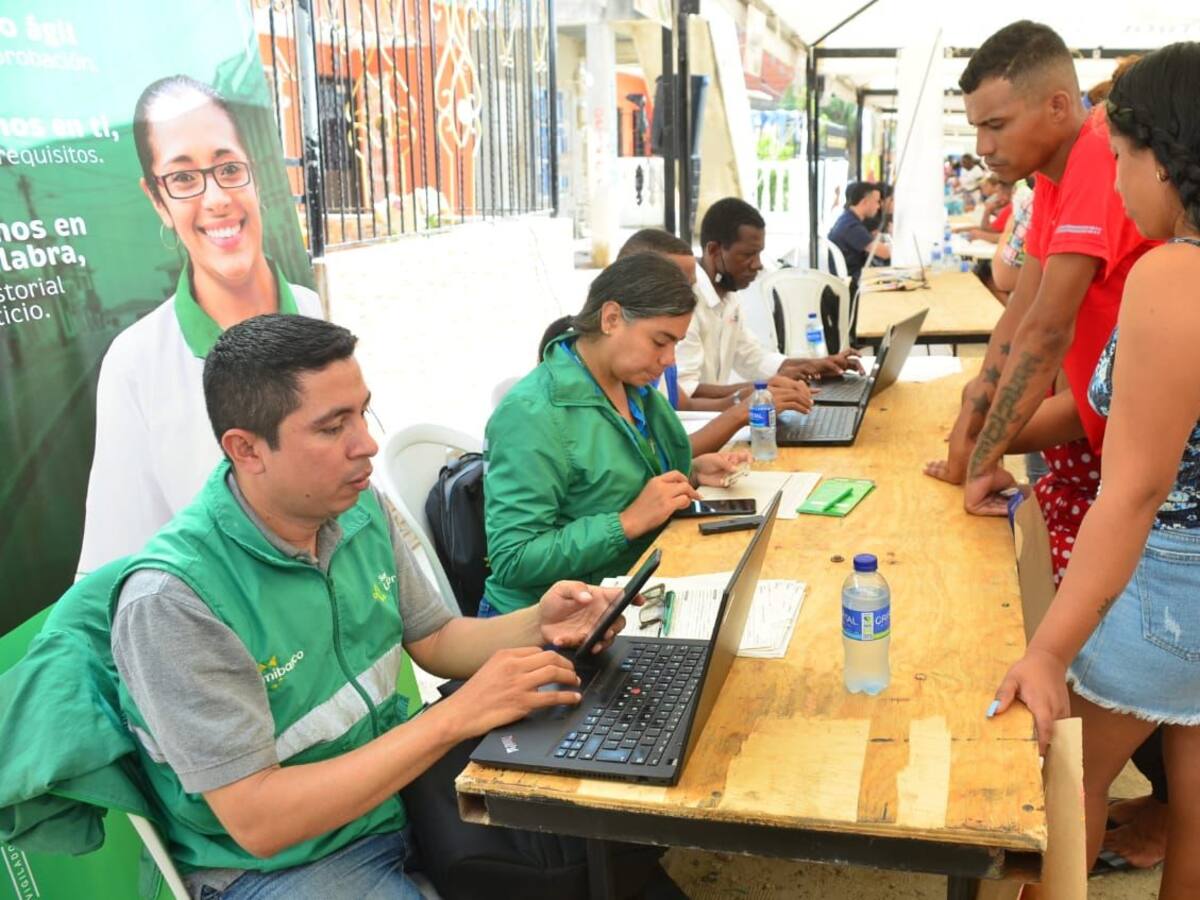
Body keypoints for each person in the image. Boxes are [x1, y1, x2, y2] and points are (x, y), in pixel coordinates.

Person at [110, 313, 644, 898]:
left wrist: (538, 623)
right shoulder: (176, 603)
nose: (366, 444)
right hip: (289, 862)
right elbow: (260, 820)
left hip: (398, 789)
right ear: (246, 449)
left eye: (363, 412)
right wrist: (453, 719)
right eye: (333, 427)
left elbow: (436, 639)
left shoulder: (357, 510)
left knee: (602, 842)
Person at [990, 43, 1200, 899]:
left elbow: (1137, 490)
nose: (1114, 185)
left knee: (1068, 784)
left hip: (1170, 590)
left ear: (1167, 153)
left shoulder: (1173, 277)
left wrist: (1047, 651)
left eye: (1120, 160)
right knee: (1194, 803)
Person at [77, 75, 322, 576]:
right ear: (156, 200)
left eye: (229, 168)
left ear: (256, 175)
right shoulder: (137, 363)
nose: (216, 199)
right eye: (184, 178)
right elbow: (111, 568)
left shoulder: (314, 311)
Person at [923, 21, 1155, 530]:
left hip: (1135, 430)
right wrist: (970, 444)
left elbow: (1047, 332)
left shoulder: (1097, 156)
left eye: (997, 125)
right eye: (976, 127)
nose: (982, 145)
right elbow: (1018, 318)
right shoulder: (1053, 171)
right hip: (1101, 411)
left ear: (1057, 106)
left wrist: (980, 456)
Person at [483, 253, 749, 616]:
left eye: (675, 344)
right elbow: (513, 558)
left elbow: (617, 484)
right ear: (611, 319)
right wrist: (626, 523)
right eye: (660, 342)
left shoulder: (633, 389)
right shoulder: (531, 414)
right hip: (544, 623)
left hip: (622, 595)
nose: (670, 359)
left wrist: (692, 471)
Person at [614, 229, 814, 455]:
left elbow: (683, 405)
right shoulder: (630, 359)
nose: (691, 297)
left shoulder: (659, 348)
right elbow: (659, 458)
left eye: (690, 286)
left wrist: (752, 395)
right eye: (676, 286)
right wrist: (741, 412)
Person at [675, 197, 862, 404]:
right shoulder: (685, 301)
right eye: (747, 254)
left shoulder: (730, 295)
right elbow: (684, 391)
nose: (757, 264)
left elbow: (751, 357)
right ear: (713, 250)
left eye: (759, 253)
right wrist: (764, 387)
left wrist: (813, 364)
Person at [827, 182, 892, 296]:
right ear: (864, 202)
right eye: (877, 202)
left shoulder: (847, 219)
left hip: (852, 277)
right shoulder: (851, 226)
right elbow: (885, 253)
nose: (879, 206)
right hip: (853, 283)